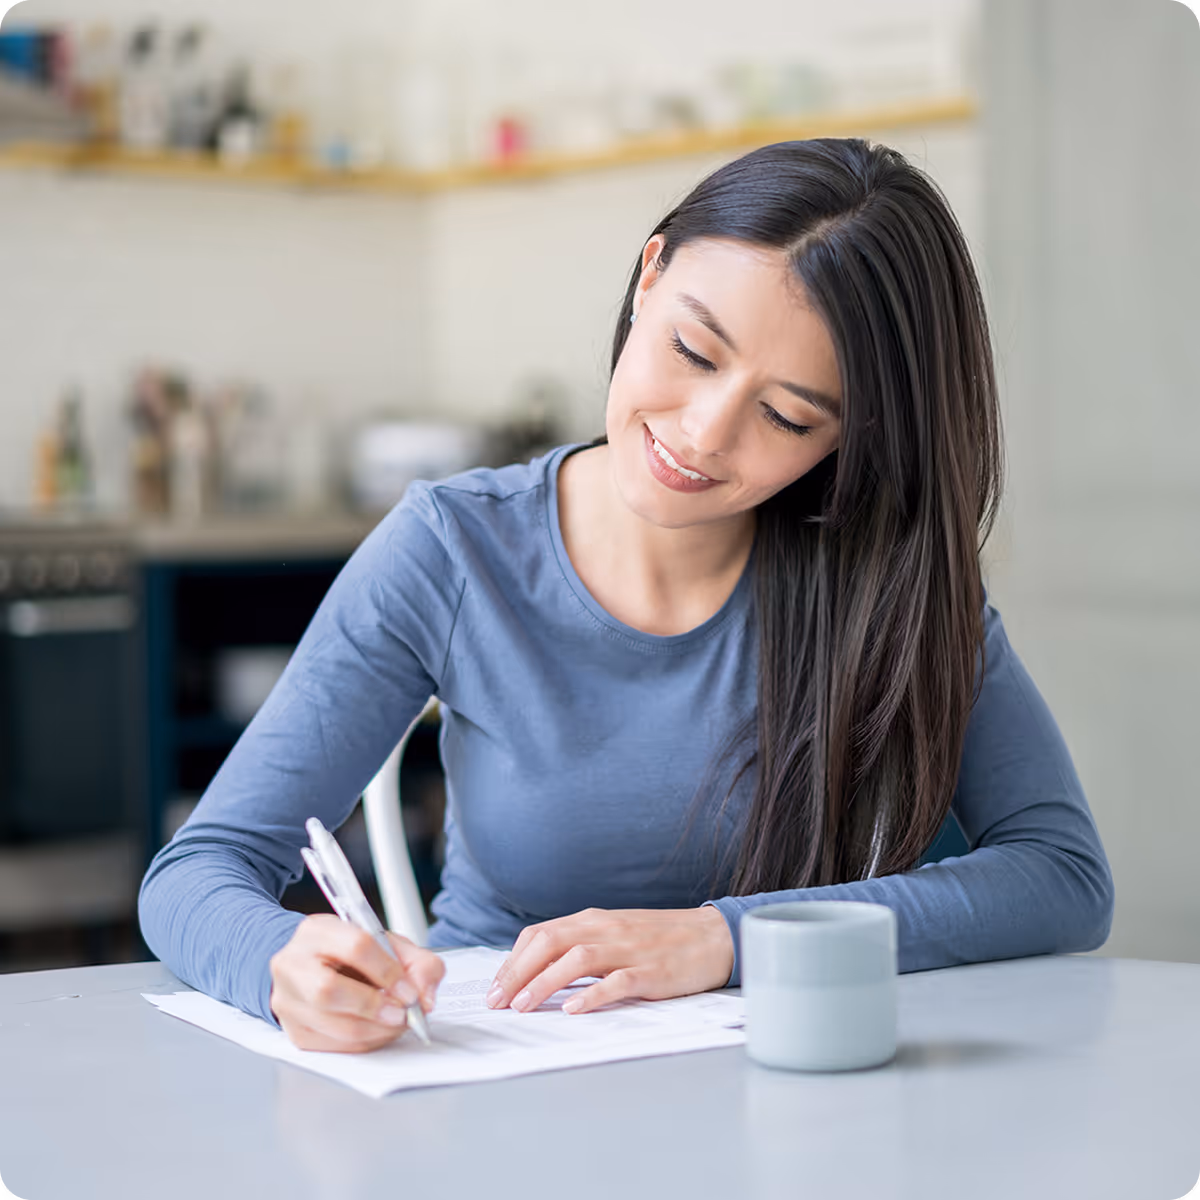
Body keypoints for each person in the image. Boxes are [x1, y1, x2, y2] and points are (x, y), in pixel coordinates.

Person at [139, 138, 1114, 1054]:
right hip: (499, 1076)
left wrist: (725, 940)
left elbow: (1063, 876)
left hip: (790, 1086)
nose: (702, 434)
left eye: (784, 416)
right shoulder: (453, 550)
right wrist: (280, 966)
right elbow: (197, 871)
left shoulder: (882, 576)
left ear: (847, 441)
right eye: (694, 352)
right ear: (649, 276)